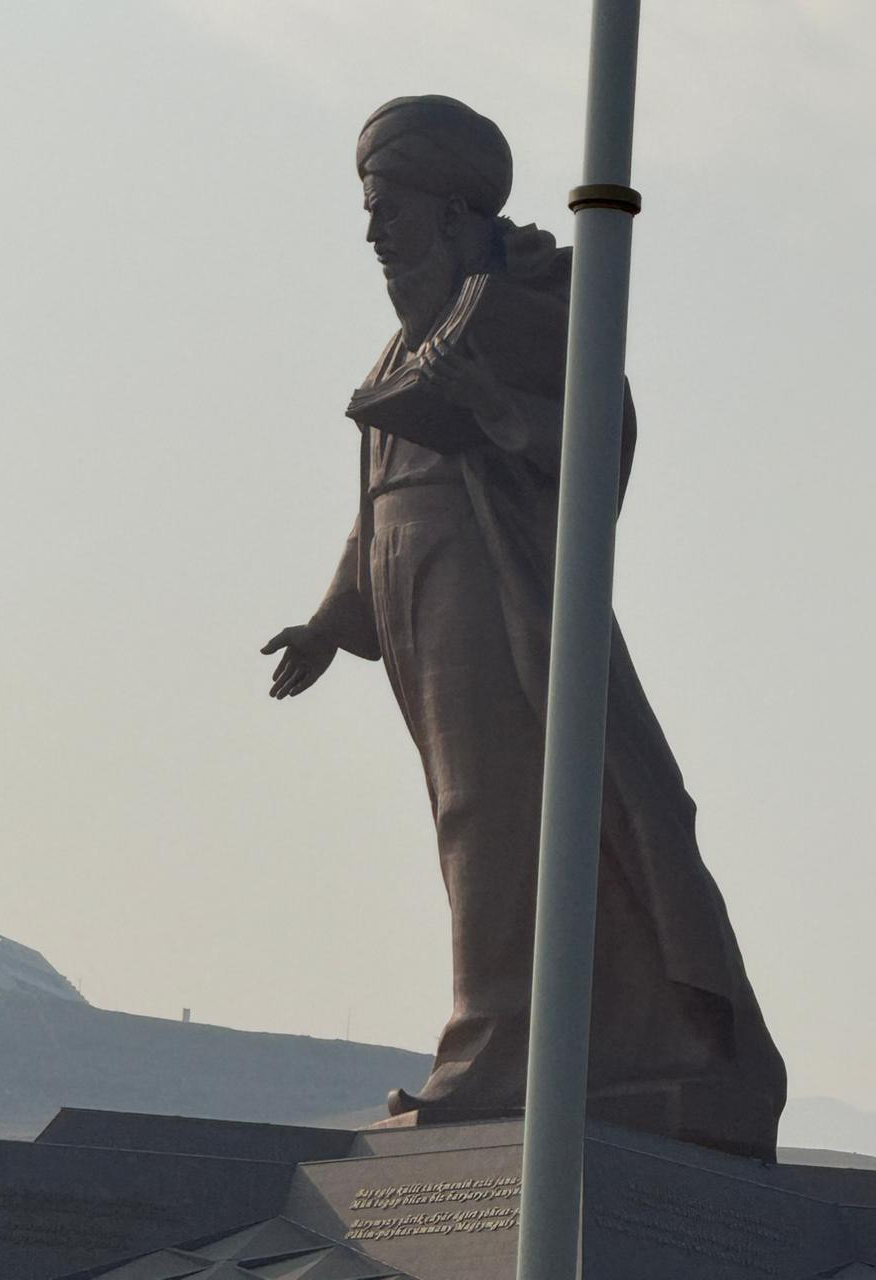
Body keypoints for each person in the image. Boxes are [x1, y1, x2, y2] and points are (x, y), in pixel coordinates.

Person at [263, 95, 786, 1157]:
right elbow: (377, 502)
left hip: (494, 593)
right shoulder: (406, 341)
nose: (373, 232)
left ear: (455, 212)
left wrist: (491, 408)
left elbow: (599, 439)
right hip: (414, 593)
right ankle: (529, 1043)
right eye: (368, 209)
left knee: (496, 819)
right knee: (468, 819)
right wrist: (328, 619)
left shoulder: (528, 315)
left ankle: (497, 1050)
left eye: (389, 207)